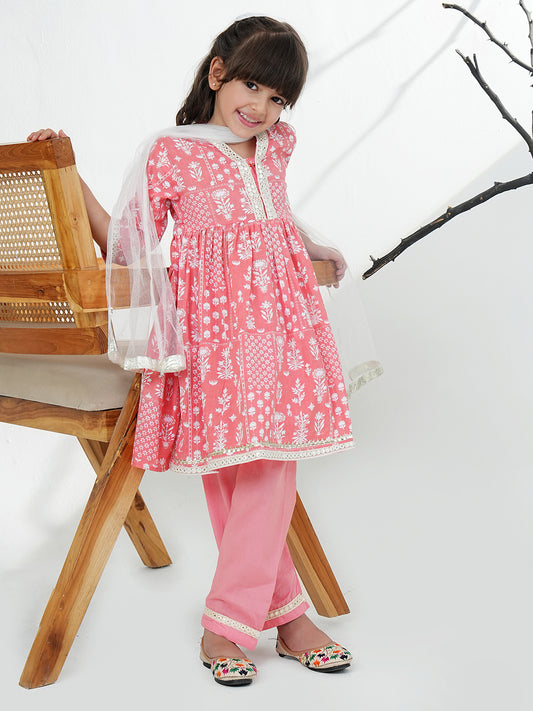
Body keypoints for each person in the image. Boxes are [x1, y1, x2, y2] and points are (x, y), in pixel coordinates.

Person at [28, 16, 357, 686]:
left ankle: (234, 623)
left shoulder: (276, 144)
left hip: (282, 326)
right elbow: (127, 246)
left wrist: (309, 242)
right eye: (252, 86)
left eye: (277, 98)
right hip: (211, 331)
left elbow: (270, 214)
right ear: (217, 73)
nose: (261, 108)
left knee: (270, 459)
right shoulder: (170, 152)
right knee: (232, 467)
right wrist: (72, 177)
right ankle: (279, 619)